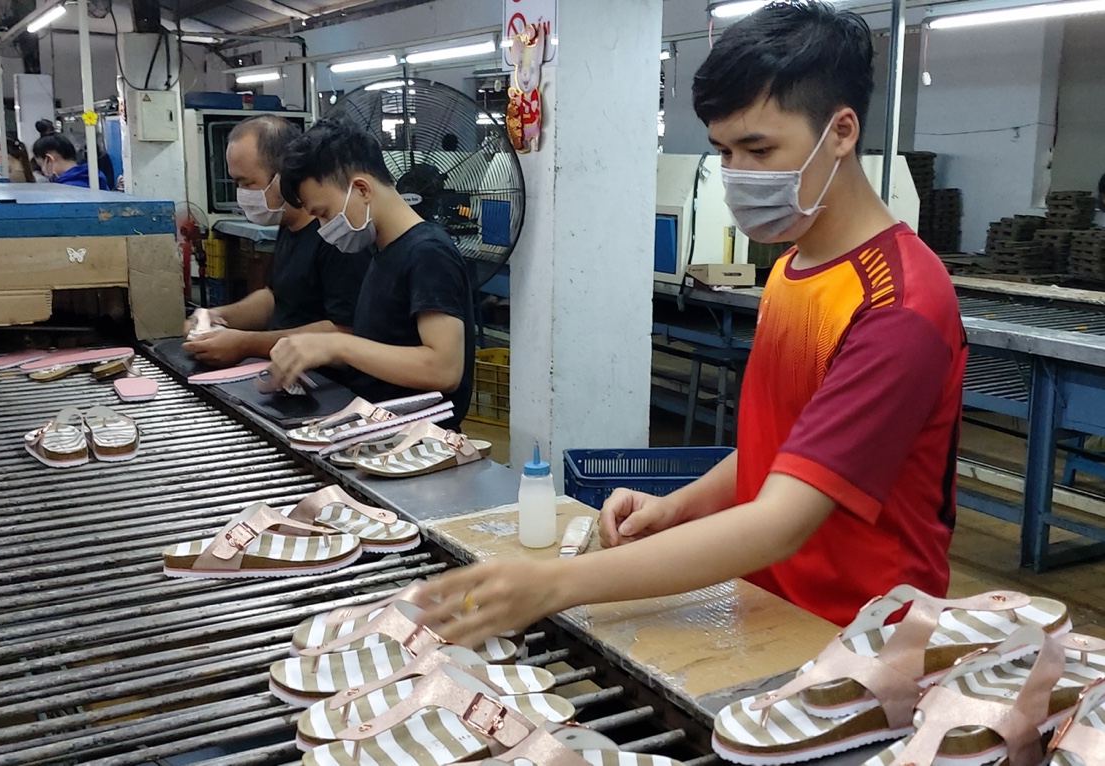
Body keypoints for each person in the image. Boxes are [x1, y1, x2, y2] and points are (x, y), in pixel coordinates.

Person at [415, 0, 967, 642]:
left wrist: (555, 583)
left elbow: (780, 521)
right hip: (771, 611)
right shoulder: (795, 266)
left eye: (758, 149)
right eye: (723, 151)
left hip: (862, 637)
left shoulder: (897, 305)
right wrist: (676, 507)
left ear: (841, 131)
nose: (737, 175)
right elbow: (783, 450)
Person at [270, 117, 475, 431]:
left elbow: (444, 370)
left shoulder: (428, 253)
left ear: (362, 189)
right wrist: (308, 351)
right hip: (382, 430)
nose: (323, 228)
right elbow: (381, 348)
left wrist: (337, 345)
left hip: (419, 441)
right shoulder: (383, 250)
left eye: (324, 213)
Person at [182, 115, 370, 367]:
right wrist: (217, 316)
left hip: (326, 377)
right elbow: (275, 297)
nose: (242, 195)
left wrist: (247, 344)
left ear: (283, 175)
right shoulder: (288, 225)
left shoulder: (339, 236)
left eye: (247, 183)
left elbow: (346, 330)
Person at [33, 133, 111, 190]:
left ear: (49, 159)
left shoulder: (65, 190)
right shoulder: (96, 176)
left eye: (41, 165)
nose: (43, 171)